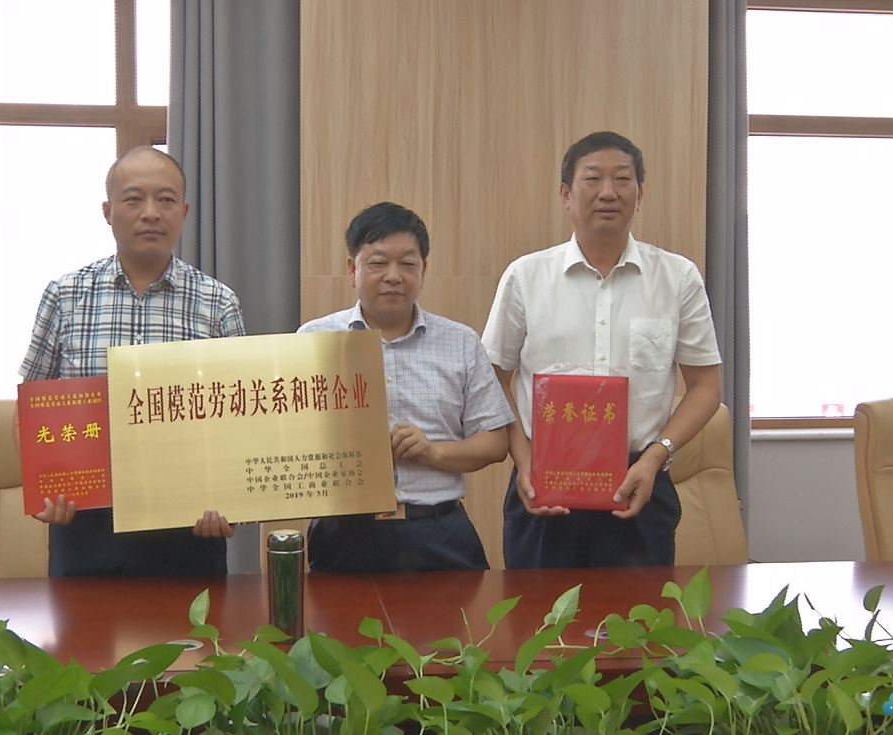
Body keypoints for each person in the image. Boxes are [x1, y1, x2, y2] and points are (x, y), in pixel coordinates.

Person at [481, 131, 722, 569]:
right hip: (545, 484)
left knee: (641, 613)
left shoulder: (677, 277)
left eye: (622, 179)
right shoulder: (526, 277)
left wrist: (656, 456)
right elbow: (492, 380)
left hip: (639, 481)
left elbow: (706, 387)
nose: (608, 192)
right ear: (566, 194)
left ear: (640, 194)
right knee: (539, 612)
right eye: (592, 179)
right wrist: (525, 460)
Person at [19, 146, 241, 576]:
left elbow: (238, 418)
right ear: (108, 211)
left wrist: (234, 501)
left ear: (184, 212)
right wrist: (42, 490)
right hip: (86, 525)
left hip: (188, 526)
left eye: (166, 199)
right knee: (81, 625)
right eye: (134, 199)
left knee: (196, 624)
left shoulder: (218, 302)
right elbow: (30, 406)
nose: (151, 213)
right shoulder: (65, 295)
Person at [298, 202, 514, 572]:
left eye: (408, 264)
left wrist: (433, 452)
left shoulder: (461, 342)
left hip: (438, 529)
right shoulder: (314, 340)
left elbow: (495, 442)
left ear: (423, 270)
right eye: (378, 263)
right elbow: (291, 438)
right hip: (343, 533)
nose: (394, 276)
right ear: (352, 269)